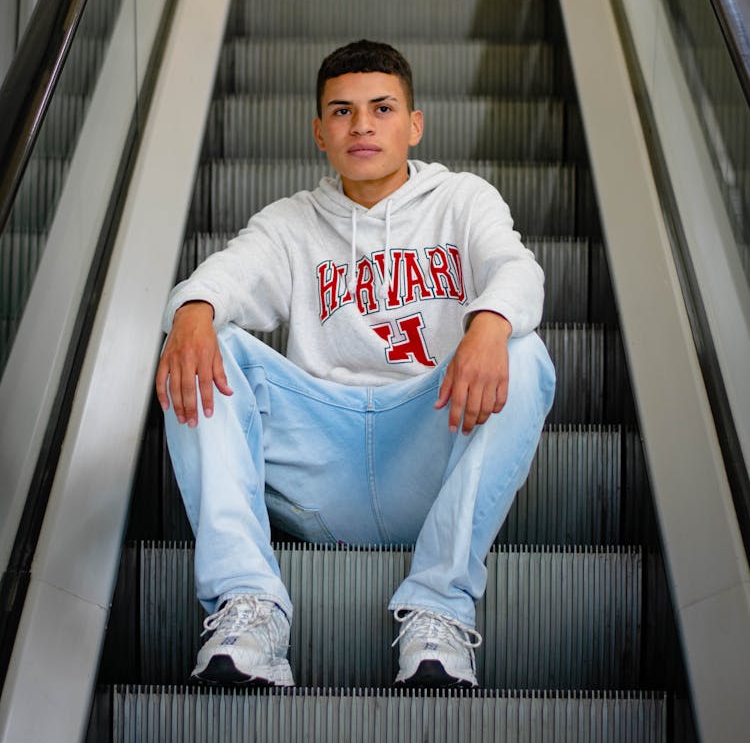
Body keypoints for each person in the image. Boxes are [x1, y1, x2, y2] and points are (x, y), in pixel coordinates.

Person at [156, 38, 555, 689]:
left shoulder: (462, 200)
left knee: (523, 350)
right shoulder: (290, 222)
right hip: (320, 466)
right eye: (341, 111)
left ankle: (438, 608)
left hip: (426, 447)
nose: (362, 125)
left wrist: (487, 323)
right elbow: (225, 274)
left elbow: (516, 270)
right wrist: (192, 311)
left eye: (382, 107)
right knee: (207, 342)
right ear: (319, 131)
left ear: (414, 124)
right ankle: (248, 610)